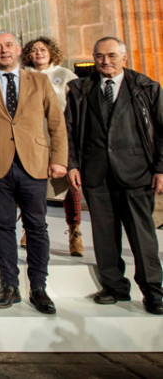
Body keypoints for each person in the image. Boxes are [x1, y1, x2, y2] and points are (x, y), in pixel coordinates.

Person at [0, 31, 67, 315]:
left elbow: (57, 124)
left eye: (8, 46)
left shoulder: (40, 81)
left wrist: (59, 159)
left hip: (34, 163)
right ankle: (9, 285)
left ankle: (38, 286)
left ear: (18, 49)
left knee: (37, 226)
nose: (3, 51)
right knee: (5, 227)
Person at [66, 36, 163, 315]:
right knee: (104, 235)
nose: (105, 61)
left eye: (110, 55)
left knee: (142, 236)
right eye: (99, 56)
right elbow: (69, 130)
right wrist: (72, 164)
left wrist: (160, 168)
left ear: (124, 57)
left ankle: (153, 292)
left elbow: (162, 130)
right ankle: (113, 286)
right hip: (97, 174)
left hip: (136, 172)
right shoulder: (81, 89)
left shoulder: (146, 88)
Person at [21, 36, 83, 256]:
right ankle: (32, 227)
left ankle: (74, 230)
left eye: (43, 49)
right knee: (33, 185)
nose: (39, 53)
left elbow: (76, 107)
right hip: (33, 135)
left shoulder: (64, 75)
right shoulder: (24, 76)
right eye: (34, 50)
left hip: (60, 134)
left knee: (69, 183)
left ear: (51, 52)